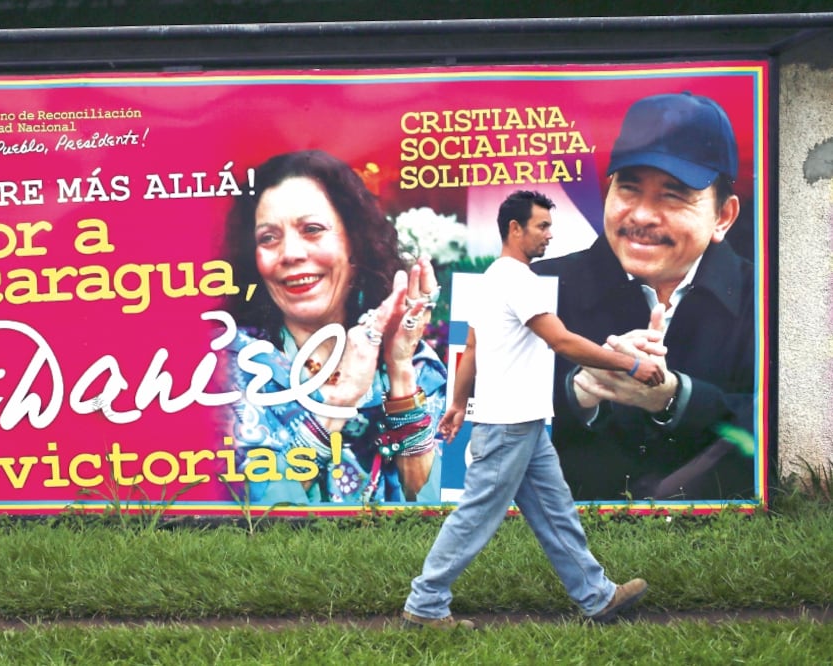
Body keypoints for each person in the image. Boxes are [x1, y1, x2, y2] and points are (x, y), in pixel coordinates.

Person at [402, 190, 660, 629]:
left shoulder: (493, 278)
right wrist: (631, 363)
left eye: (549, 226)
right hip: (508, 426)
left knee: (555, 511)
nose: (549, 235)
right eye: (541, 226)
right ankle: (425, 604)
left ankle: (596, 596)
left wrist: (459, 404)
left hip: (524, 424)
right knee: (475, 518)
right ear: (514, 229)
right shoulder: (519, 280)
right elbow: (560, 340)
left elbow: (473, 348)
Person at [532, 92, 756, 502]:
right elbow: (474, 427)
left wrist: (676, 398)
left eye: (672, 195)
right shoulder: (534, 287)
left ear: (723, 216)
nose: (640, 216)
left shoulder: (763, 302)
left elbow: (784, 428)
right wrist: (578, 393)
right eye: (629, 188)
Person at [221, 149, 447, 505]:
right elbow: (270, 514)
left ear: (354, 241)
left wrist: (400, 370)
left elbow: (434, 508)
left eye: (312, 230)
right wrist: (339, 401)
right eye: (268, 238)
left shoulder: (417, 362)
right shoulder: (231, 367)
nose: (290, 254)